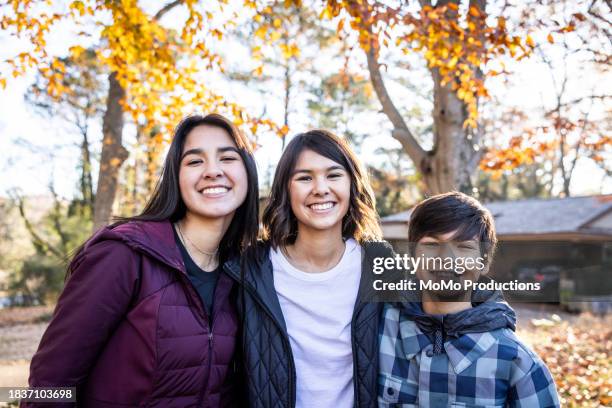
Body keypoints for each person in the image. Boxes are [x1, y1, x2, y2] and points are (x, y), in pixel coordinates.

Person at [24, 113, 259, 407]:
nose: (212, 170)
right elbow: (48, 385)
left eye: (227, 158)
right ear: (176, 177)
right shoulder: (123, 255)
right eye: (195, 161)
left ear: (248, 172)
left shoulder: (242, 273)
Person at [223, 130, 392, 408]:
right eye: (304, 178)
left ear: (352, 184)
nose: (320, 188)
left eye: (334, 175)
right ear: (286, 190)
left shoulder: (380, 266)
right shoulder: (250, 269)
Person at [378, 192, 560, 407]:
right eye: (431, 244)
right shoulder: (379, 326)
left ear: (484, 262)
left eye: (464, 246)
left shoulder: (518, 362)